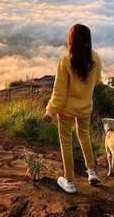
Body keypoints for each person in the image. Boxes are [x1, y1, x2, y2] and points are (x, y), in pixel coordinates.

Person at [43, 24, 102, 194]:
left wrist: (50, 111)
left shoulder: (65, 62)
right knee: (84, 136)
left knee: (66, 142)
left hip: (66, 110)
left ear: (71, 41)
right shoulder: (95, 59)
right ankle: (91, 171)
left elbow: (59, 93)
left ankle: (69, 181)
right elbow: (96, 81)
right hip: (85, 108)